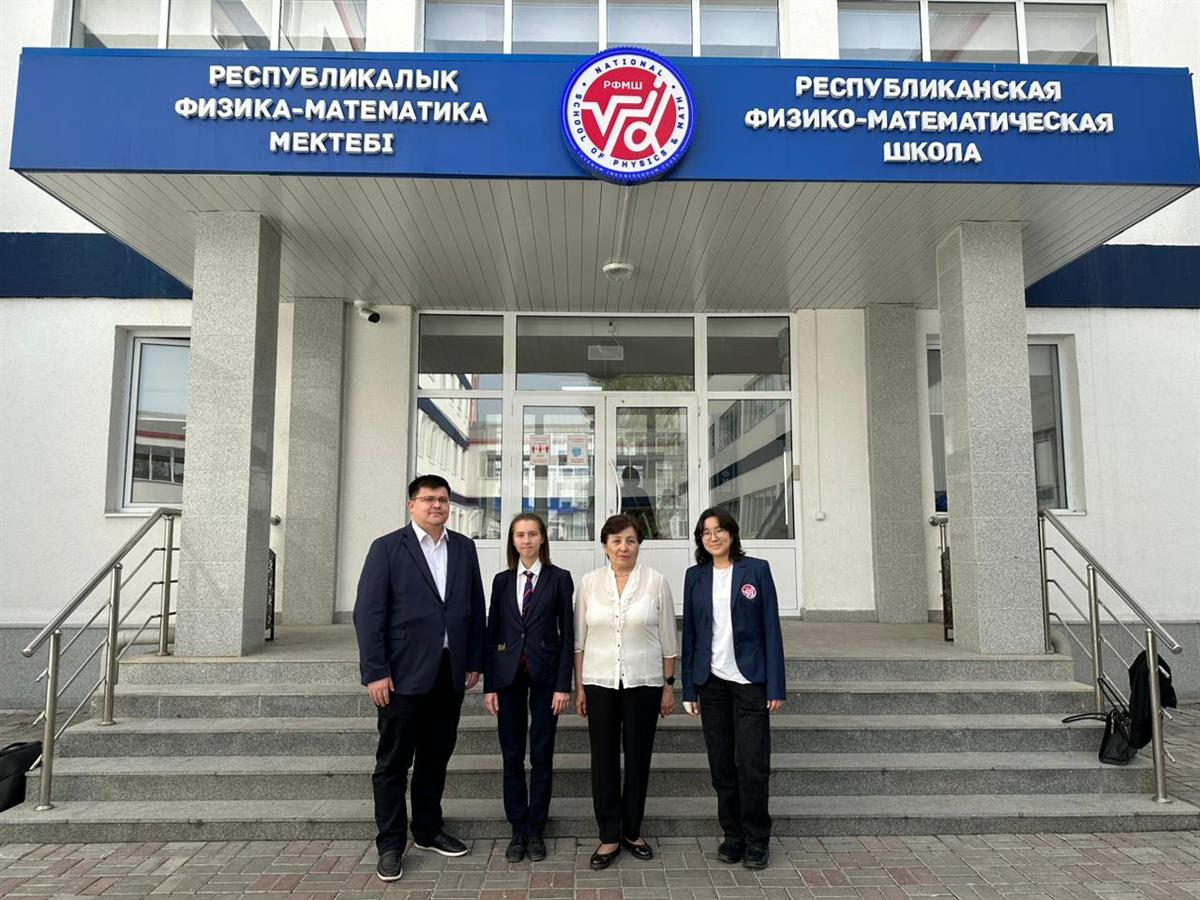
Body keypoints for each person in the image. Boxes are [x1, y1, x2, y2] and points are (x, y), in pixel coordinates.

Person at [354, 474, 487, 882]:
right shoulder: (387, 548)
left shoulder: (463, 547)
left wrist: (474, 659)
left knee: (435, 757)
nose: (437, 505)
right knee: (393, 763)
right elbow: (368, 614)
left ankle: (427, 830)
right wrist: (376, 672)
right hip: (401, 676)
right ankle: (391, 844)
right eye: (428, 499)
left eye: (443, 499)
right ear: (411, 504)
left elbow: (474, 606)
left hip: (449, 673)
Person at [680, 507, 786, 870]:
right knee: (722, 764)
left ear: (732, 533)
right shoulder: (694, 576)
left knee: (753, 764)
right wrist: (689, 689)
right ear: (700, 539)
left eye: (719, 530)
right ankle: (733, 834)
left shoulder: (756, 570)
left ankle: (757, 837)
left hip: (750, 681)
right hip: (711, 682)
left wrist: (775, 686)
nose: (713, 537)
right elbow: (691, 634)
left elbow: (771, 628)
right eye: (706, 532)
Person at [574, 514, 678, 870]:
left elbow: (668, 639)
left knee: (638, 757)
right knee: (603, 758)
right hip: (599, 681)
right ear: (605, 546)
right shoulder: (589, 583)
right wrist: (579, 687)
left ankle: (632, 830)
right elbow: (579, 641)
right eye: (616, 541)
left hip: (644, 682)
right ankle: (608, 834)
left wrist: (668, 687)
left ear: (639, 545)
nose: (623, 547)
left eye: (630, 540)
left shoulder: (656, 581)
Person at [483, 513, 575, 863]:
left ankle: (536, 828)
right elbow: (492, 632)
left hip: (546, 676)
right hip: (507, 676)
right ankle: (517, 828)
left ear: (542, 539)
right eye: (520, 535)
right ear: (513, 540)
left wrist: (563, 685)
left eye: (532, 534)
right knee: (511, 754)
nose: (526, 540)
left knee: (541, 753)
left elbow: (568, 634)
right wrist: (490, 685)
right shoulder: (502, 581)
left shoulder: (559, 578)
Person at [619, 466, 659, 540]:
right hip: (634, 527)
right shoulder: (640, 492)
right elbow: (650, 515)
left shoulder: (621, 492)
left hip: (633, 528)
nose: (631, 482)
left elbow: (649, 514)